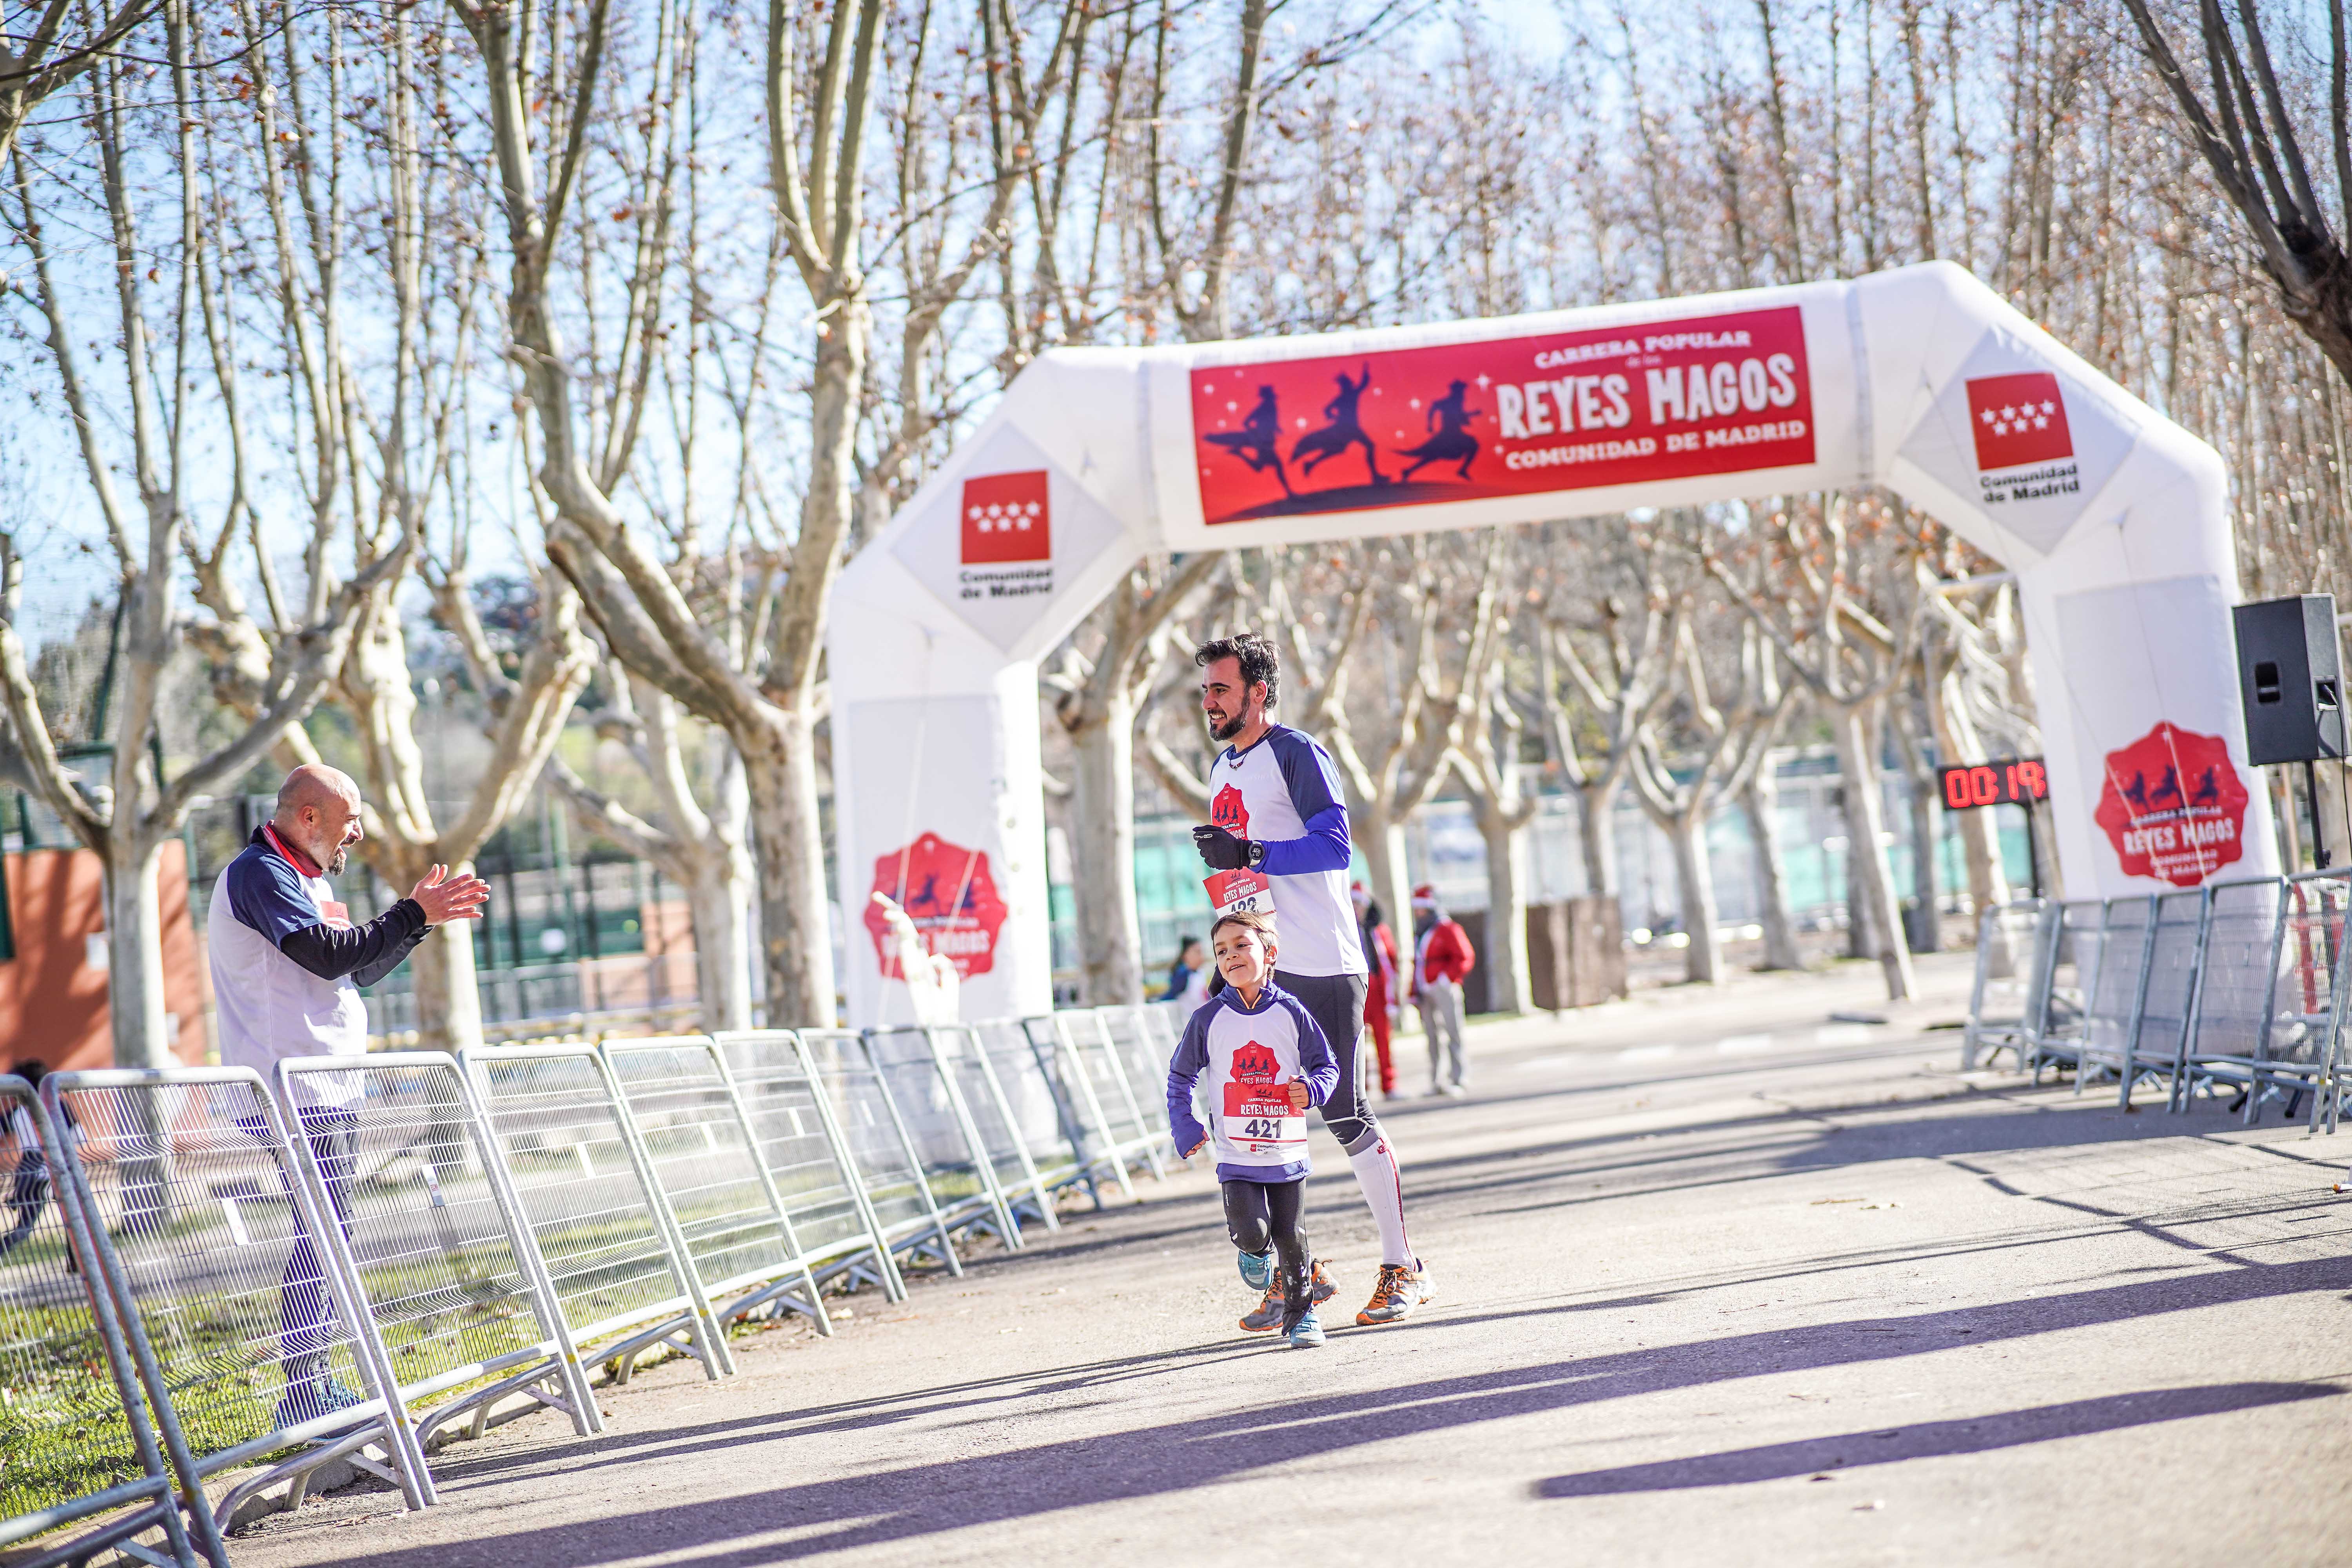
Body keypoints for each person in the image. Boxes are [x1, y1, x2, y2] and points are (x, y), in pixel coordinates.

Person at [210, 763, 490, 1427]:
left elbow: (357, 969)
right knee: (323, 1233)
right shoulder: (261, 873)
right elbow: (327, 954)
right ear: (308, 817)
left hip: (326, 1085)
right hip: (290, 1085)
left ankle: (313, 1386)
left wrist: (417, 924)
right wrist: (409, 911)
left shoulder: (302, 875)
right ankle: (303, 1392)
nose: (359, 833)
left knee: (330, 1230)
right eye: (350, 819)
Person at [1190, 632, 1434, 1327]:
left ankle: (1404, 1268)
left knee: (1342, 1111)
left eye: (1221, 689)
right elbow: (1244, 874)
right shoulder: (1219, 770)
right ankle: (1303, 1274)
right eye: (1206, 690)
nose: (1208, 701)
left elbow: (1335, 844)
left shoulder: (1296, 752)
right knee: (1258, 1117)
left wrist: (1253, 850)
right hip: (1266, 967)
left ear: (1258, 693)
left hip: (1324, 959)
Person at [1167, 910, 1339, 1349]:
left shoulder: (1291, 1011)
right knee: (1254, 1231)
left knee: (1292, 1236)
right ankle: (1251, 1250)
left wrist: (1312, 1089)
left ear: (1270, 953)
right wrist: (1184, 1124)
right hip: (1236, 1154)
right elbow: (1181, 1076)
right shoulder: (1208, 1018)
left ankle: (1302, 1317)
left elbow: (1326, 1065)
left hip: (1286, 1150)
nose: (1231, 956)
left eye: (1242, 945)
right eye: (1222, 951)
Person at [1410, 886, 1475, 1096]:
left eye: (1421, 909)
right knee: (1432, 1037)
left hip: (1443, 987)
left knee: (1453, 1032)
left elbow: (1465, 956)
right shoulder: (1421, 931)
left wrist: (1447, 978)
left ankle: (1459, 1077)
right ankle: (1437, 1081)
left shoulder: (1447, 928)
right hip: (1425, 989)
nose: (1418, 912)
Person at [1, 1059, 65, 1262]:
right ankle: (80, 1259)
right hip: (53, 1165)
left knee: (25, 1225)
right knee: (74, 1218)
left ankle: (19, 1197)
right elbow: (79, 1136)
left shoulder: (16, 1113)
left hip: (27, 1168)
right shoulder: (57, 1109)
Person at [1352, 884, 1401, 1098]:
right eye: (1353, 904)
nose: (1357, 909)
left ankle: (1389, 1085)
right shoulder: (1345, 930)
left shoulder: (1380, 930)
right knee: (1357, 1041)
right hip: (1357, 989)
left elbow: (1392, 962)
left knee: (1384, 1039)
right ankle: (1361, 1089)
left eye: (1360, 904)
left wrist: (1395, 995)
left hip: (1379, 988)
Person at [1162, 936, 1207, 1003]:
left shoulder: (1200, 973)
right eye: (1198, 952)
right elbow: (1171, 995)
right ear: (1186, 954)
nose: (1202, 956)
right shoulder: (1182, 974)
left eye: (1202, 952)